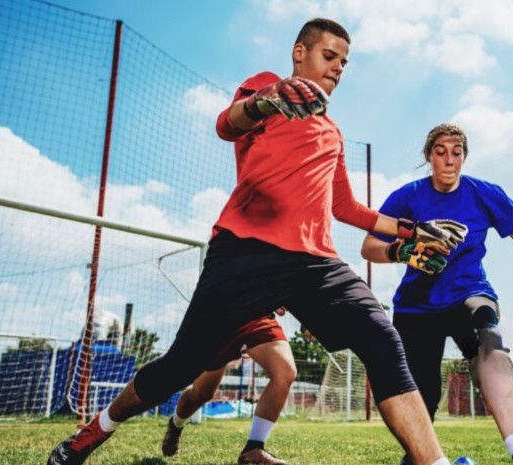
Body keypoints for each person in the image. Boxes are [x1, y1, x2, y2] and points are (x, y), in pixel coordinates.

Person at [47, 18, 467, 465]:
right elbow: (227, 124)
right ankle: (90, 434)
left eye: (345, 63)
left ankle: (434, 462)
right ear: (299, 52)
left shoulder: (332, 131)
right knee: (182, 367)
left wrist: (413, 230)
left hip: (315, 262)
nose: (338, 68)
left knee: (383, 337)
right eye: (329, 56)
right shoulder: (265, 89)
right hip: (246, 251)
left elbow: (346, 208)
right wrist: (271, 102)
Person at [361, 123, 513, 465]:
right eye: (440, 152)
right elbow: (370, 246)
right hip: (417, 307)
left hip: (470, 292)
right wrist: (403, 251)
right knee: (425, 395)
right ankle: (423, 459)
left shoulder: (485, 193)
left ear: (465, 156)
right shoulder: (407, 196)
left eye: (457, 152)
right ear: (428, 156)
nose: (449, 161)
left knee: (490, 343)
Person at [160, 312, 295, 465]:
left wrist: (309, 323)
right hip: (224, 314)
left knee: (285, 372)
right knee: (202, 394)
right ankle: (176, 425)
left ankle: (254, 447)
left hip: (259, 319)